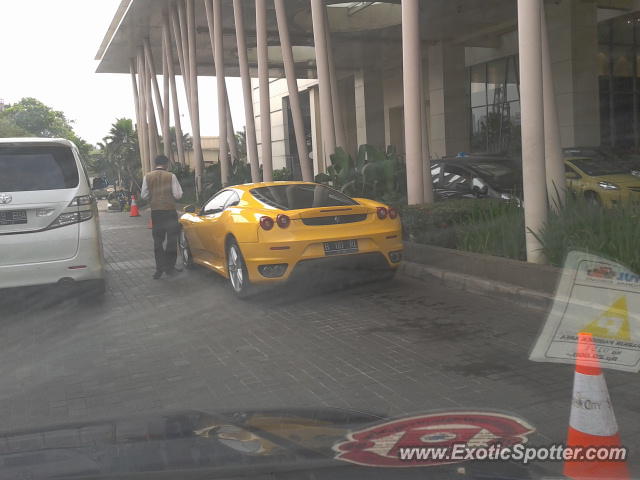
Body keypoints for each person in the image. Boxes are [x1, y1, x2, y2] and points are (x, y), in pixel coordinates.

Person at [141, 155, 184, 279]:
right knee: (171, 241)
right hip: (170, 212)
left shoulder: (147, 176)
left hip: (156, 213)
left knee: (158, 241)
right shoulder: (171, 176)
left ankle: (159, 269)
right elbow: (178, 195)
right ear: (166, 164)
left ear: (155, 164)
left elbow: (144, 195)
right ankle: (170, 268)